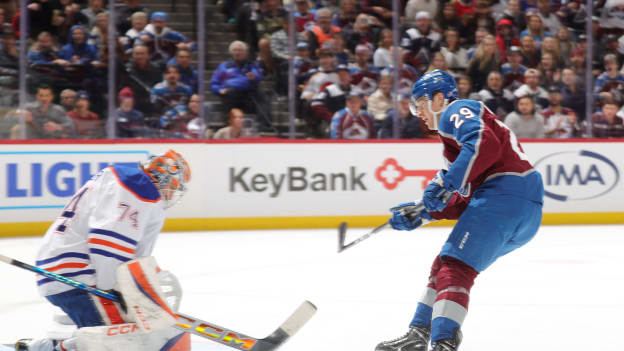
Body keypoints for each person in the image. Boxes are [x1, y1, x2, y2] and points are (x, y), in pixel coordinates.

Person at [376, 69, 543, 351]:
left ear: (439, 98)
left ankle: (443, 342)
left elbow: (482, 144)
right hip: (519, 208)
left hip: (505, 196)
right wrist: (423, 212)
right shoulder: (456, 145)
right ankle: (419, 333)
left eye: (420, 104)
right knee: (445, 264)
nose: (418, 113)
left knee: (455, 268)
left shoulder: (458, 109)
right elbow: (465, 198)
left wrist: (448, 182)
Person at [16, 150, 192, 351]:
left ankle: (43, 348)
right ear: (162, 178)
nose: (172, 193)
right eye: (173, 186)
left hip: (64, 268)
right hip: (79, 275)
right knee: (124, 339)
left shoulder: (124, 179)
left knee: (120, 334)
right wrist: (116, 290)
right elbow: (107, 249)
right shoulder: (138, 188)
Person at [11, 84, 75, 139]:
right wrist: (19, 114)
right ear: (37, 96)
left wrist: (58, 126)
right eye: (41, 95)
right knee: (17, 128)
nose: (44, 99)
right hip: (30, 143)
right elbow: (9, 115)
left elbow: (71, 126)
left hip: (51, 144)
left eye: (47, 96)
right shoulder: (28, 107)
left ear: (52, 97)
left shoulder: (58, 110)